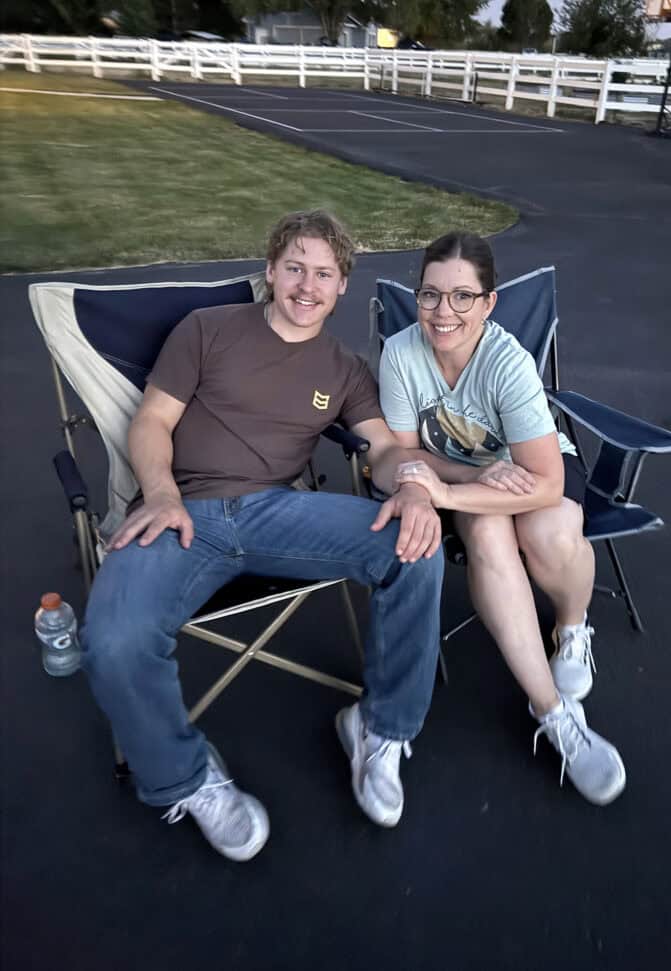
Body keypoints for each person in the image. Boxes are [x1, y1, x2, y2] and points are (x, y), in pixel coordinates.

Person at [80, 210, 445, 861]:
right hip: (182, 511)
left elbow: (383, 449)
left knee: (414, 546)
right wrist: (161, 492)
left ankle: (380, 728)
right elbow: (152, 422)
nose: (308, 285)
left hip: (276, 513)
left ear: (341, 288)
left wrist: (412, 484)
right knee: (112, 638)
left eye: (324, 274)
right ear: (271, 270)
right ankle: (186, 778)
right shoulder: (208, 329)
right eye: (296, 267)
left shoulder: (343, 368)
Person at [378, 231, 626, 806]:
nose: (444, 312)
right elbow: (400, 453)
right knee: (489, 530)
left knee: (552, 529)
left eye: (463, 297)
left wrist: (444, 490)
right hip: (474, 479)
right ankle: (555, 714)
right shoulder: (400, 354)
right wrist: (465, 480)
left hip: (537, 470)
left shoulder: (506, 362)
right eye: (431, 295)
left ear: (488, 303)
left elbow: (546, 482)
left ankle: (570, 625)